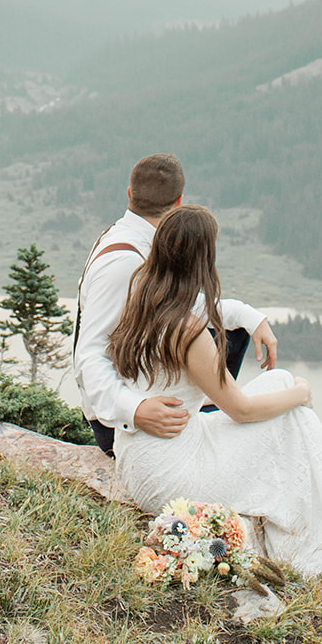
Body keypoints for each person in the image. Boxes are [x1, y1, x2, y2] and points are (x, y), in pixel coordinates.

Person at [108, 203, 322, 580]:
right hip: (174, 474)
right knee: (295, 408)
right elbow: (240, 410)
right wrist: (302, 393)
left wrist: (248, 317)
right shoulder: (188, 332)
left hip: (138, 454)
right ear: (203, 260)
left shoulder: (141, 301)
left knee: (279, 383)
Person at [73, 154, 277, 456]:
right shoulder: (124, 262)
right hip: (119, 424)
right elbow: (89, 354)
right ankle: (215, 415)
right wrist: (135, 410)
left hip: (135, 396)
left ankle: (215, 410)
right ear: (179, 201)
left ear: (130, 193)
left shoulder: (127, 237)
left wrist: (251, 317)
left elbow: (183, 306)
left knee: (233, 329)